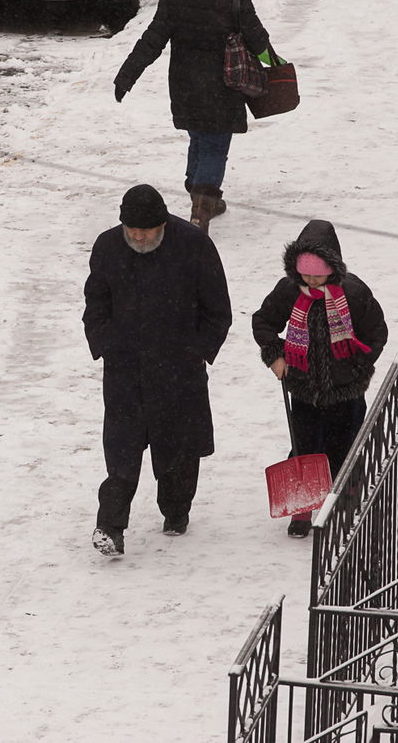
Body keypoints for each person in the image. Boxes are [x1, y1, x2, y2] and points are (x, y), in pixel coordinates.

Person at [82, 184, 233, 556]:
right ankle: (110, 526)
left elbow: (217, 310)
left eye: (147, 231)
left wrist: (196, 352)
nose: (139, 237)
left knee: (178, 448)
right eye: (132, 230)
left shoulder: (193, 245)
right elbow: (95, 303)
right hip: (125, 369)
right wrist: (105, 344)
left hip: (178, 369)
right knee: (121, 452)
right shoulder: (107, 247)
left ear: (163, 224)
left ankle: (176, 510)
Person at [112, 0, 272, 233]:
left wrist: (126, 76)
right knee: (214, 145)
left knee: (199, 138)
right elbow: (259, 41)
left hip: (186, 88)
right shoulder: (237, 2)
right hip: (224, 88)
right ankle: (202, 205)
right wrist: (276, 67)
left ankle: (200, 190)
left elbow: (152, 41)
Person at [251, 220, 388, 537]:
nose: (311, 280)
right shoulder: (289, 290)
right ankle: (302, 505)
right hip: (302, 388)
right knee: (305, 446)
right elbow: (264, 321)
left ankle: (345, 504)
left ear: (333, 269)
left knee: (345, 447)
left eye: (318, 274)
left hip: (345, 391)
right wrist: (275, 355)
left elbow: (376, 333)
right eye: (305, 274)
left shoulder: (353, 293)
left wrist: (359, 368)